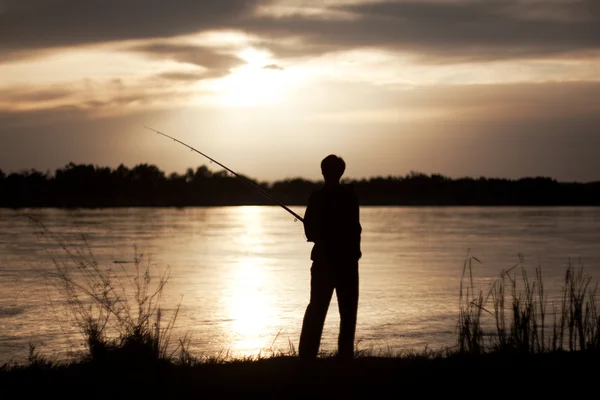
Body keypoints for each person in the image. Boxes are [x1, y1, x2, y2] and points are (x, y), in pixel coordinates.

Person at [298, 154, 362, 360]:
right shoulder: (350, 197)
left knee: (316, 309)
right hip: (348, 263)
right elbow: (355, 229)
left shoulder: (316, 197)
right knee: (348, 312)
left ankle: (307, 356)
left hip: (324, 262)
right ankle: (345, 356)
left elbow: (310, 233)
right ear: (341, 172)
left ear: (323, 172)